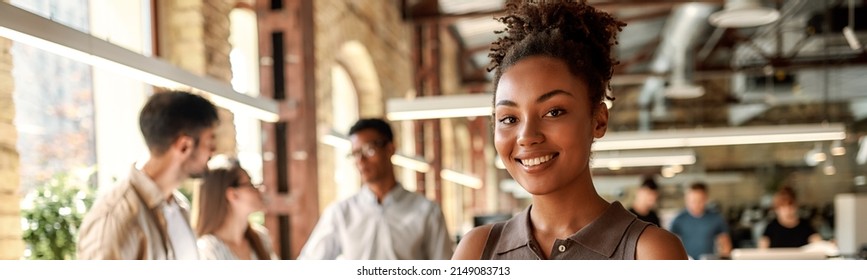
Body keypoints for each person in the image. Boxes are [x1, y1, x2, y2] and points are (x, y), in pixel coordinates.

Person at [452, 0, 686, 260]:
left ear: (598, 120)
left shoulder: (649, 253)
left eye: (553, 112)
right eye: (509, 118)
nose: (527, 136)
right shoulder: (477, 251)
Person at [77, 90, 219, 259]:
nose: (213, 150)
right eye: (209, 141)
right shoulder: (115, 218)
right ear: (184, 146)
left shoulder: (180, 207)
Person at [297, 118, 454, 260]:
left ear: (390, 149)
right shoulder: (340, 213)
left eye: (369, 150)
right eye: (356, 153)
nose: (361, 160)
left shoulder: (427, 212)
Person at [195, 157, 277, 260]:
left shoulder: (261, 238)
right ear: (233, 194)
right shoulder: (207, 251)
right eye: (250, 184)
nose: (259, 189)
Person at [670, 182, 732, 260]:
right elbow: (671, 245)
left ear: (706, 199)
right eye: (693, 200)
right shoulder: (678, 219)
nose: (696, 204)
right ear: (686, 199)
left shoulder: (716, 218)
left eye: (700, 201)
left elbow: (725, 244)